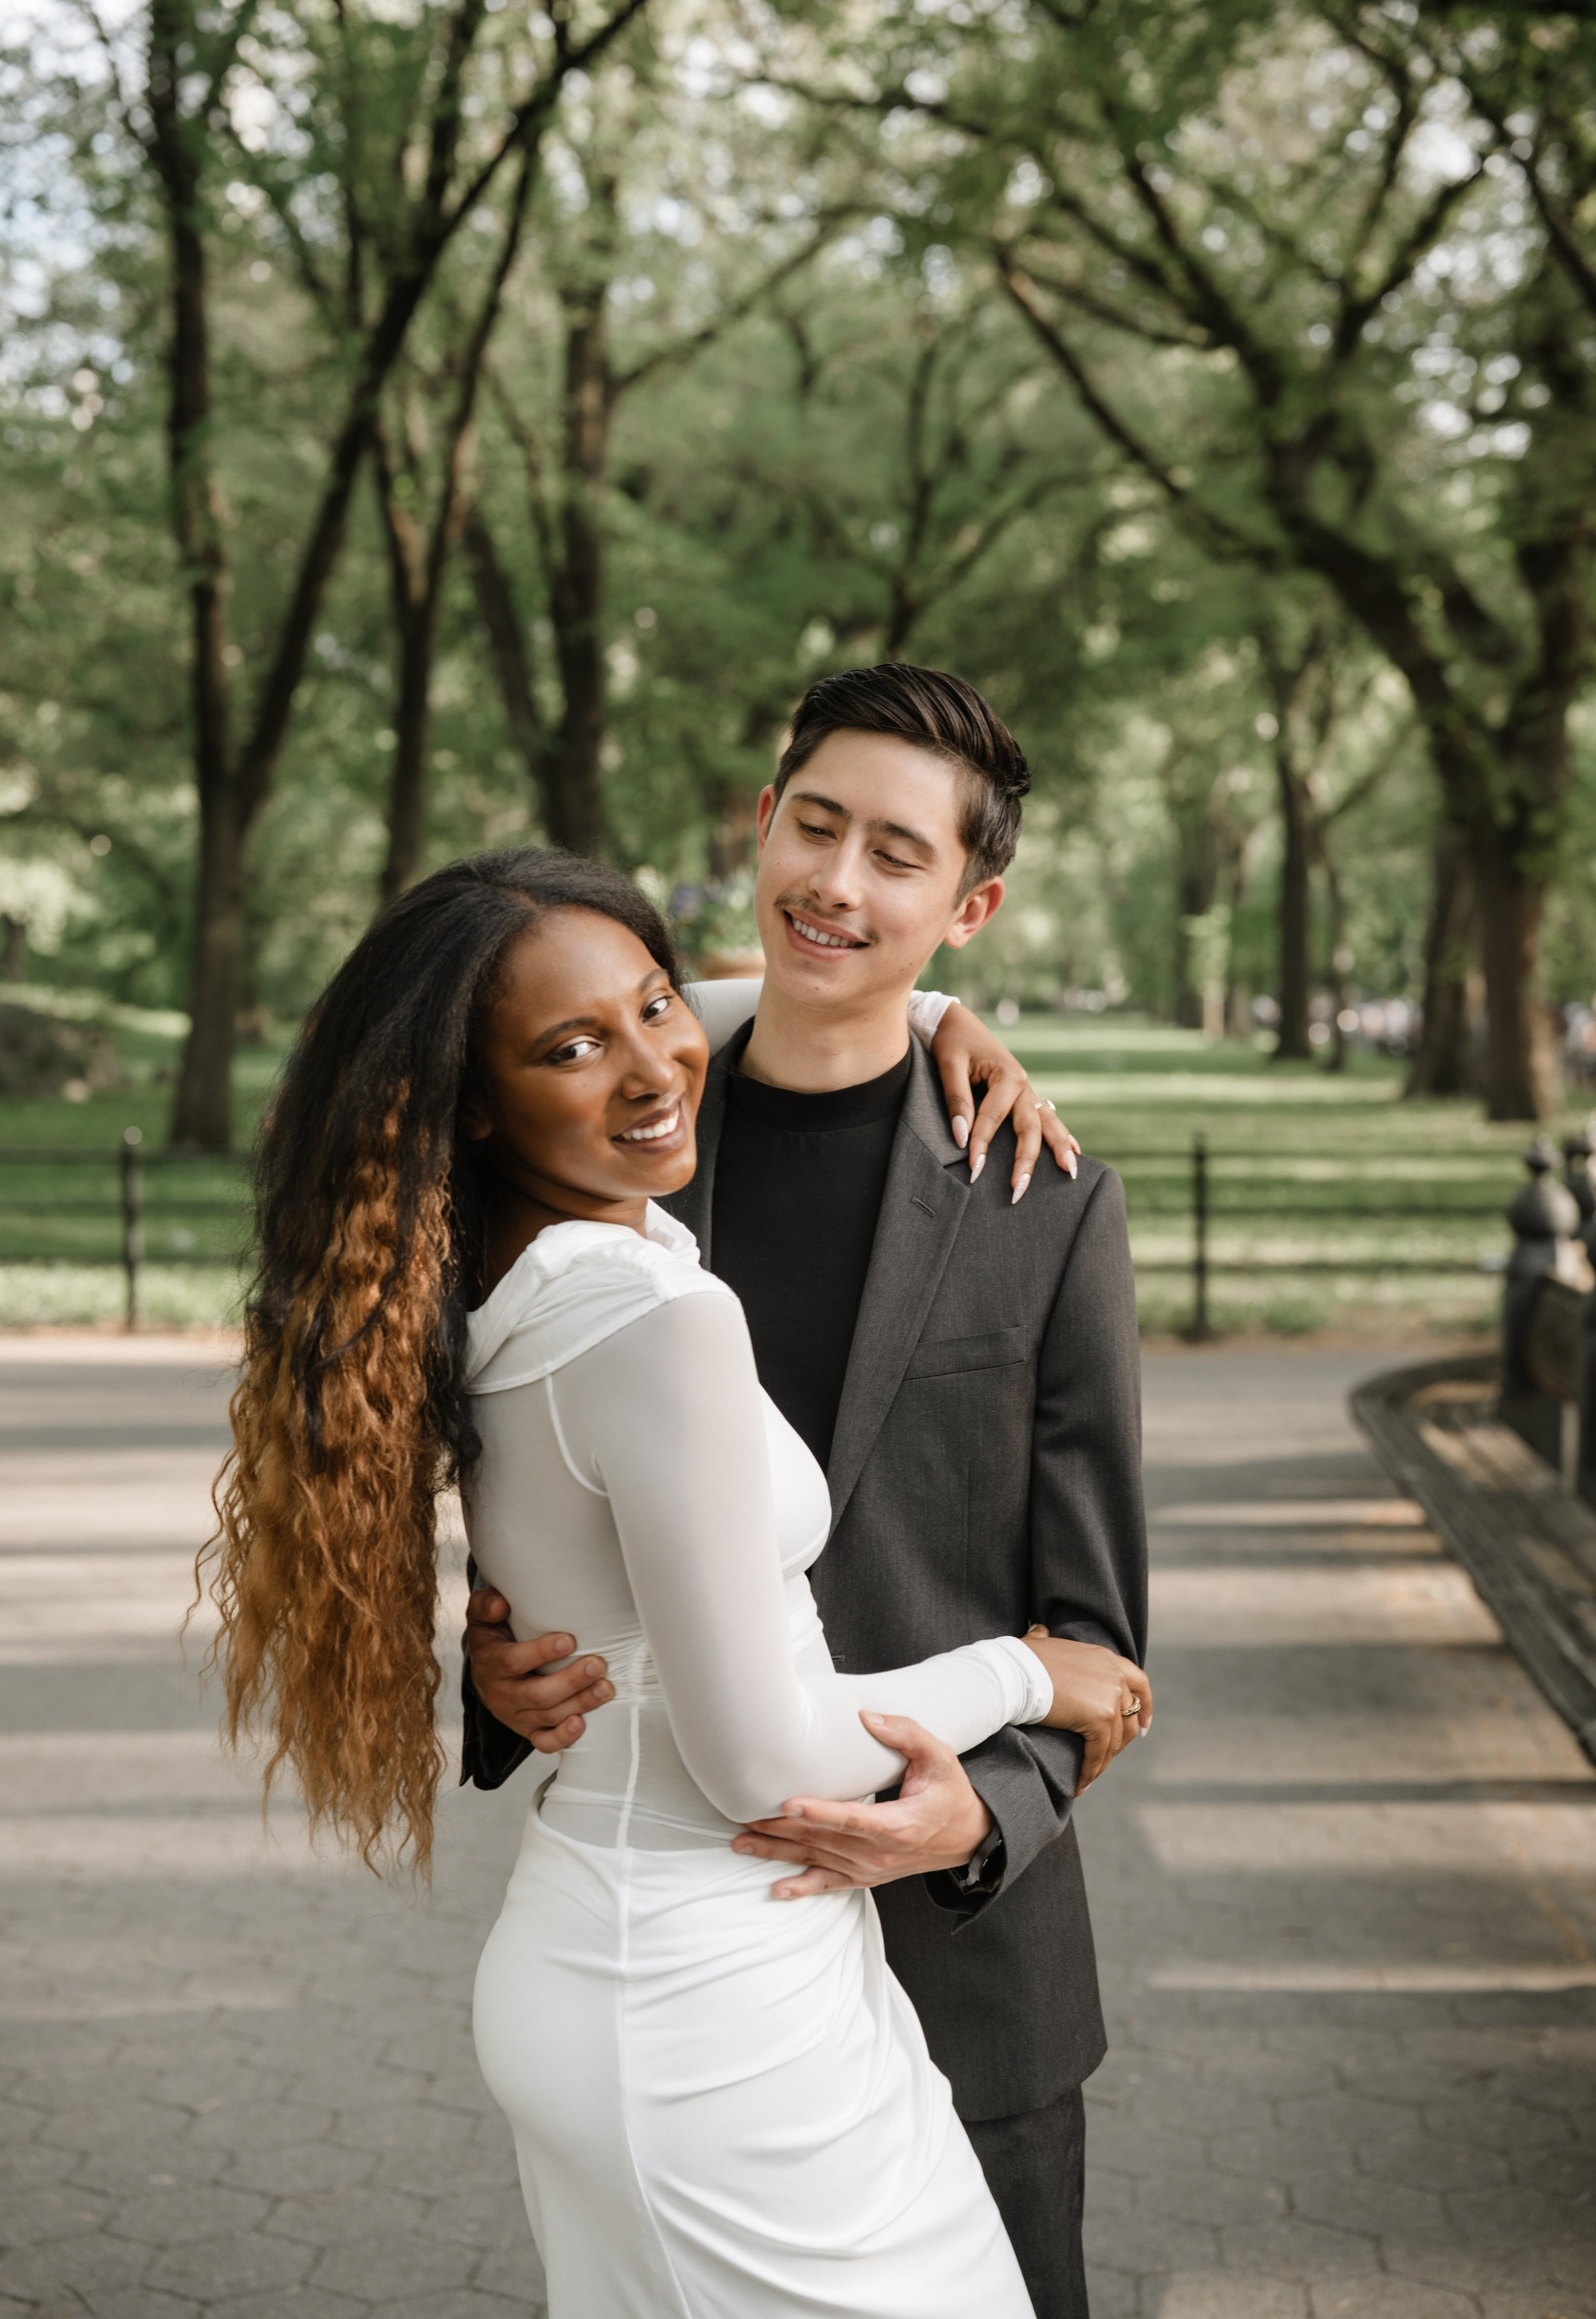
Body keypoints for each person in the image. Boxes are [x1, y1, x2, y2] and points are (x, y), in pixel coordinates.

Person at [200, 839, 1136, 2318]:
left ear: (971, 902)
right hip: (719, 1991)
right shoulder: (647, 1303)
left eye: (658, 1008)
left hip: (704, 1961)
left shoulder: (512, 1275)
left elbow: (628, 1019)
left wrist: (933, 1011)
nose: (650, 1066)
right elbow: (762, 1755)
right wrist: (1031, 1673)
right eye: (577, 1047)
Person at [464, 663, 1150, 2318]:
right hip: (700, 1971)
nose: (838, 884)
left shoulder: (1045, 1204)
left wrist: (984, 1811)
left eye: (897, 857)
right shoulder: (630, 1125)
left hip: (966, 1958)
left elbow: (1098, 1636)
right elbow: (524, 1452)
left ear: (969, 907)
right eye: (817, 827)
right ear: (761, 826)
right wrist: (491, 1658)